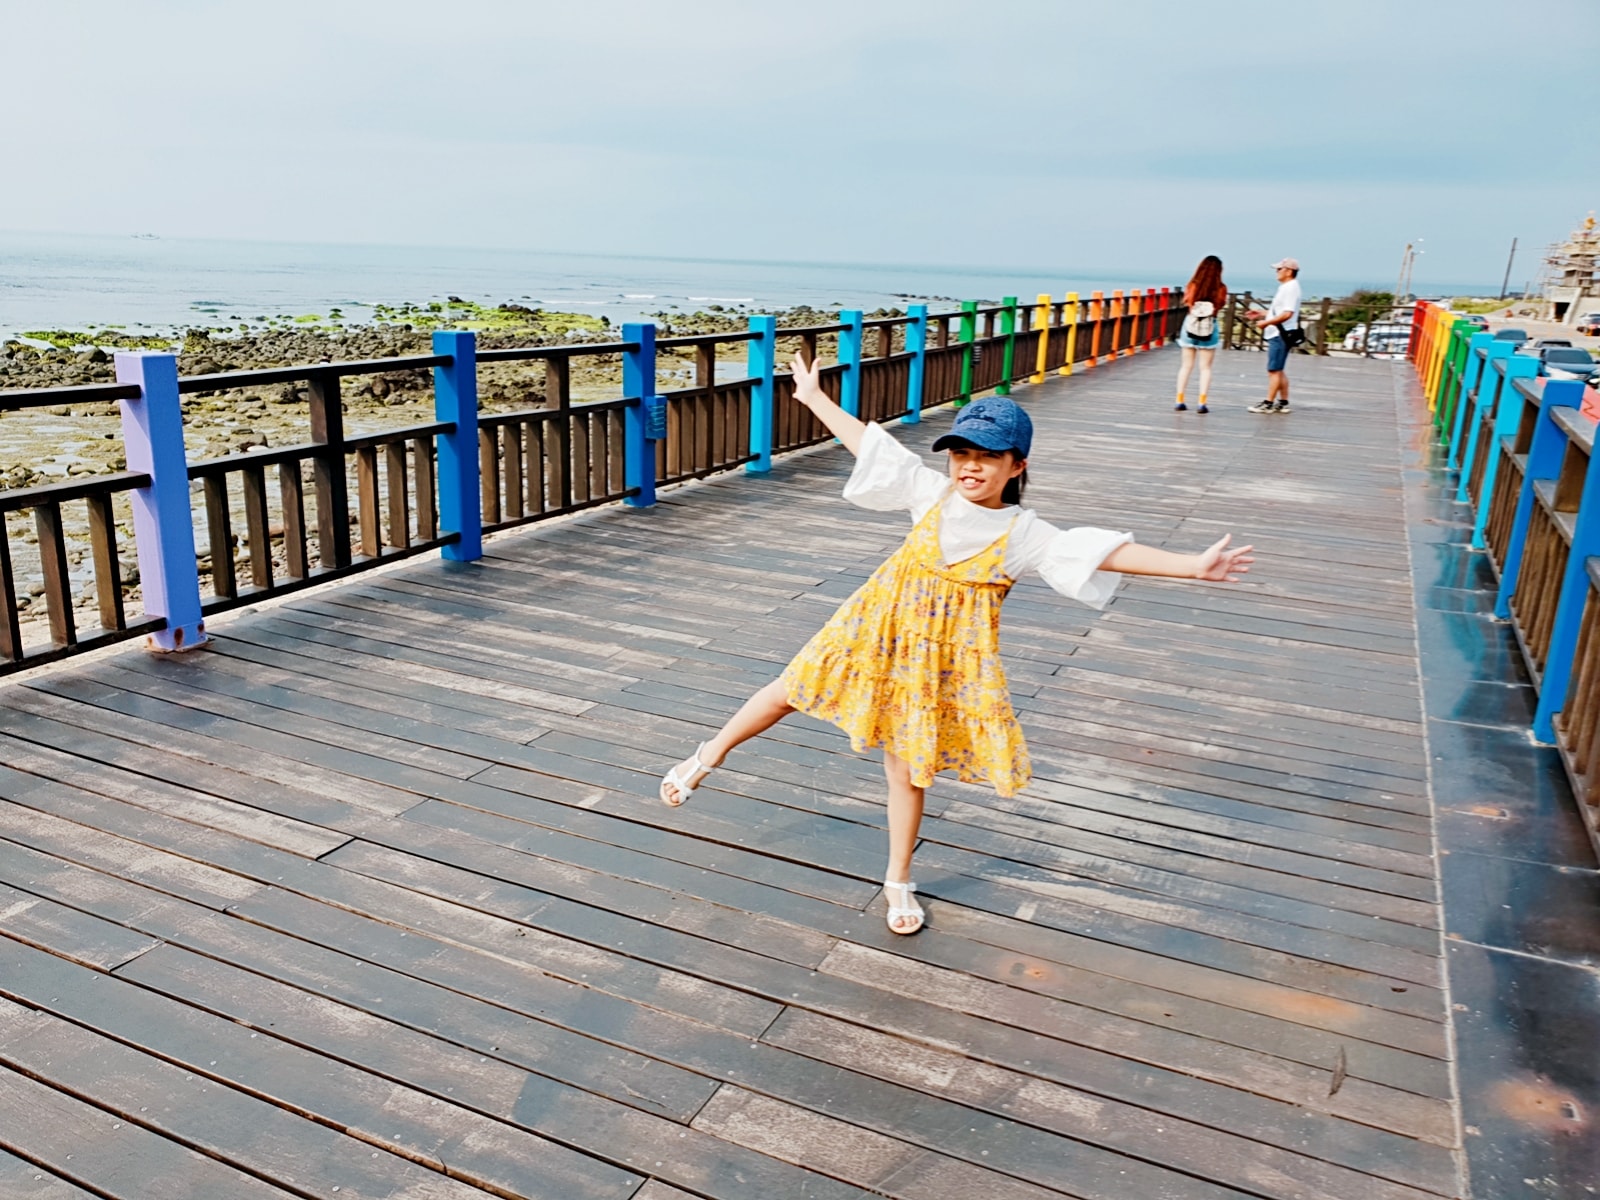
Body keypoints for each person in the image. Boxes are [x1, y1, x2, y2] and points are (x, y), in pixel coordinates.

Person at [658, 358, 1255, 935]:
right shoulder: (930, 494)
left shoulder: (1024, 535)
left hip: (938, 662)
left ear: (1016, 467)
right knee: (789, 690)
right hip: (873, 627)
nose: (970, 468)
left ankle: (898, 880)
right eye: (962, 455)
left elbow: (1100, 553)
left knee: (907, 770)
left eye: (987, 458)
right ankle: (704, 757)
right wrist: (814, 399)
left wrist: (1190, 566)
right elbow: (871, 447)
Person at [1175, 255, 1228, 413]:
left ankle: (1179, 400)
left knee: (1186, 366)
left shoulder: (1193, 285)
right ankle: (1202, 403)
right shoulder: (1221, 288)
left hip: (1190, 326)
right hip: (1209, 327)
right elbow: (1220, 304)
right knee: (1205, 368)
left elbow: (1186, 301)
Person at [1249, 258, 1302, 413]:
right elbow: (1280, 312)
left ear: (1289, 271)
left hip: (1280, 333)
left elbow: (1287, 314)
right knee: (1278, 369)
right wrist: (1261, 314)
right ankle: (1283, 402)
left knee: (1273, 370)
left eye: (1279, 269)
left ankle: (1268, 403)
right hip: (1280, 332)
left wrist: (1266, 323)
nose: (1277, 272)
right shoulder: (1287, 287)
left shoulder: (1291, 288)